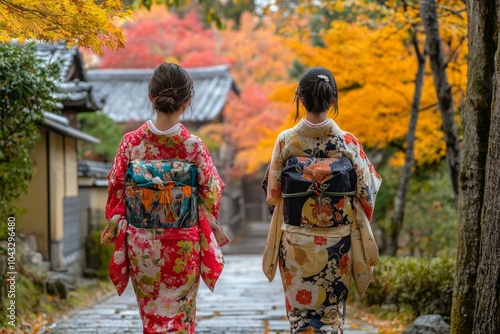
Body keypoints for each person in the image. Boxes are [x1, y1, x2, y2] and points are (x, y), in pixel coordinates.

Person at [103, 62, 230, 334]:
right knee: (182, 322)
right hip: (183, 245)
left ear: (151, 97)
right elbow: (211, 194)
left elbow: (116, 190)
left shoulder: (131, 143)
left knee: (152, 320)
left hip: (142, 245)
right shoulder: (193, 146)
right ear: (186, 102)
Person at [262, 66, 382, 334]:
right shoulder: (347, 142)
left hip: (294, 241)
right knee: (331, 318)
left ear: (300, 99)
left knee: (300, 320)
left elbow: (273, 194)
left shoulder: (286, 141)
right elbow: (367, 195)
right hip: (337, 244)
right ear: (332, 100)